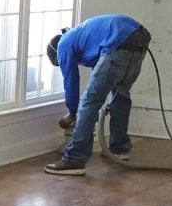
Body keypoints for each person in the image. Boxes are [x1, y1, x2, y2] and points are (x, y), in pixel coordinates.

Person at [43, 14, 151, 176]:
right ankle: (119, 149)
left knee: (89, 102)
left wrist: (74, 112)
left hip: (119, 42)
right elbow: (101, 72)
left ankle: (75, 158)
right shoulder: (82, 36)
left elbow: (71, 84)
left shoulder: (63, 45)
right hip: (139, 39)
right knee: (120, 96)